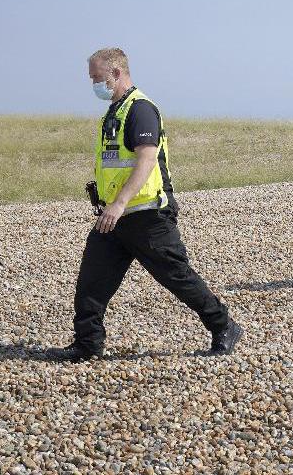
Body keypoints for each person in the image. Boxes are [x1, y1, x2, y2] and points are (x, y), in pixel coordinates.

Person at [48, 48, 242, 362]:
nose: (94, 84)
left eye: (97, 78)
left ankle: (223, 326)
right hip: (113, 217)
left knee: (176, 276)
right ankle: (88, 344)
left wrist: (120, 202)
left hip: (147, 215)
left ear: (116, 73)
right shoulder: (113, 111)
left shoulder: (141, 110)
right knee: (91, 283)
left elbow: (147, 160)